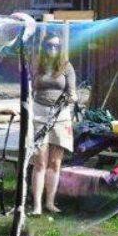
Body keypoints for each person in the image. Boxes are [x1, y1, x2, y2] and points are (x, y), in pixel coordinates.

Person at [31, 33, 77, 215]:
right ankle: (37, 205)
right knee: (40, 162)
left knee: (55, 163)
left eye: (56, 46)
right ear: (44, 47)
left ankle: (50, 202)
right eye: (49, 45)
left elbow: (72, 93)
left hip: (60, 118)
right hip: (39, 116)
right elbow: (29, 89)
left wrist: (71, 98)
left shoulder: (66, 66)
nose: (52, 49)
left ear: (60, 48)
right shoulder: (36, 65)